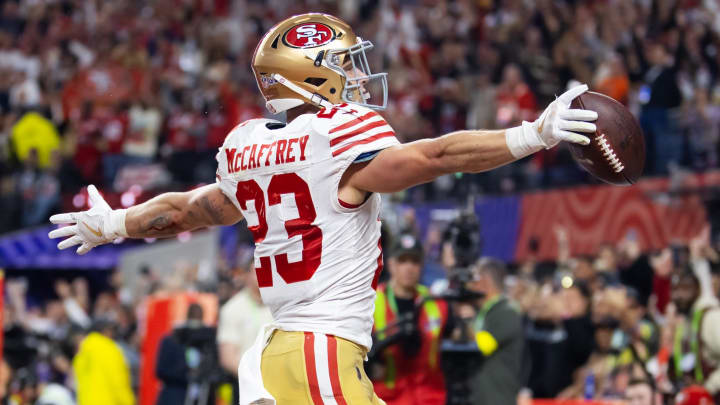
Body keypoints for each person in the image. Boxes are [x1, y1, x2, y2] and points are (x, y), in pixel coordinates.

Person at [48, 12, 597, 405]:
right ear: (309, 75)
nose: (357, 76)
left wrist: (116, 223)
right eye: (343, 64)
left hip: (281, 353)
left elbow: (193, 209)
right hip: (320, 353)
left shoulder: (249, 145)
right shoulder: (337, 137)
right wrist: (530, 135)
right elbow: (434, 156)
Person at [370, 235, 449, 405]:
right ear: (391, 264)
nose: (409, 268)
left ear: (421, 266)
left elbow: (455, 334)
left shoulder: (437, 303)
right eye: (402, 261)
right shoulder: (371, 302)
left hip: (429, 398)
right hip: (388, 398)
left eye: (414, 261)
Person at [460, 257, 527, 405]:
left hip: (497, 398)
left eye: (473, 279)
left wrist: (465, 320)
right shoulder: (485, 311)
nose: (469, 285)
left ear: (485, 281)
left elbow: (484, 345)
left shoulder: (507, 312)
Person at [217, 262, 273, 404]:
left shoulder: (279, 305)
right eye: (257, 271)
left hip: (279, 385)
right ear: (247, 275)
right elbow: (228, 358)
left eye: (267, 270)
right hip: (248, 390)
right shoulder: (232, 309)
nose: (263, 275)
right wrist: (256, 383)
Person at [72, 320, 134, 405]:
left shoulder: (82, 351)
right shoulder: (110, 349)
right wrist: (128, 402)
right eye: (111, 330)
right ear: (105, 331)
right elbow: (118, 381)